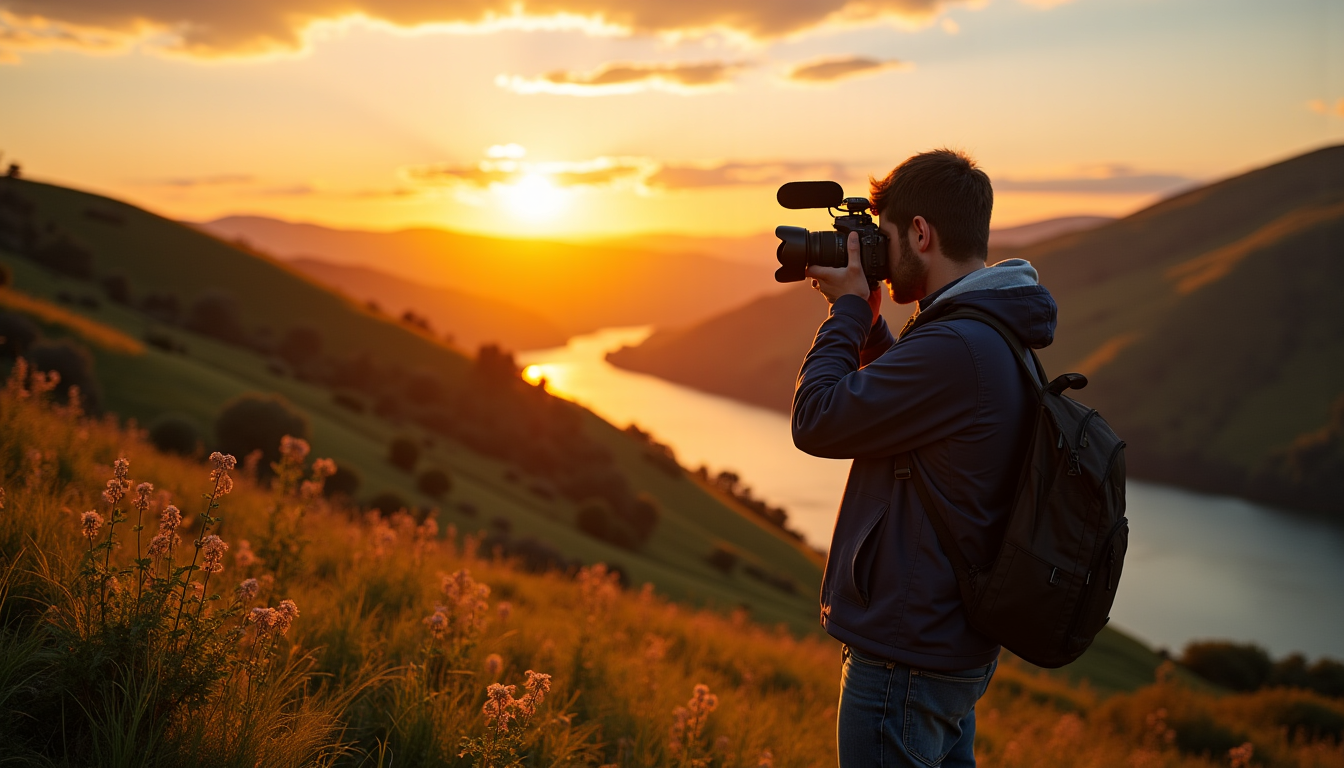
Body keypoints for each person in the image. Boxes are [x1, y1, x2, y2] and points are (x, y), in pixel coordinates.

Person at [793, 148, 1058, 767]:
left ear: (920, 232)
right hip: (940, 644)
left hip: (904, 658)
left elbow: (817, 420)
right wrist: (874, 330)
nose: (880, 262)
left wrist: (849, 311)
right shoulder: (984, 328)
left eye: (883, 242)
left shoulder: (957, 343)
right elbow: (914, 401)